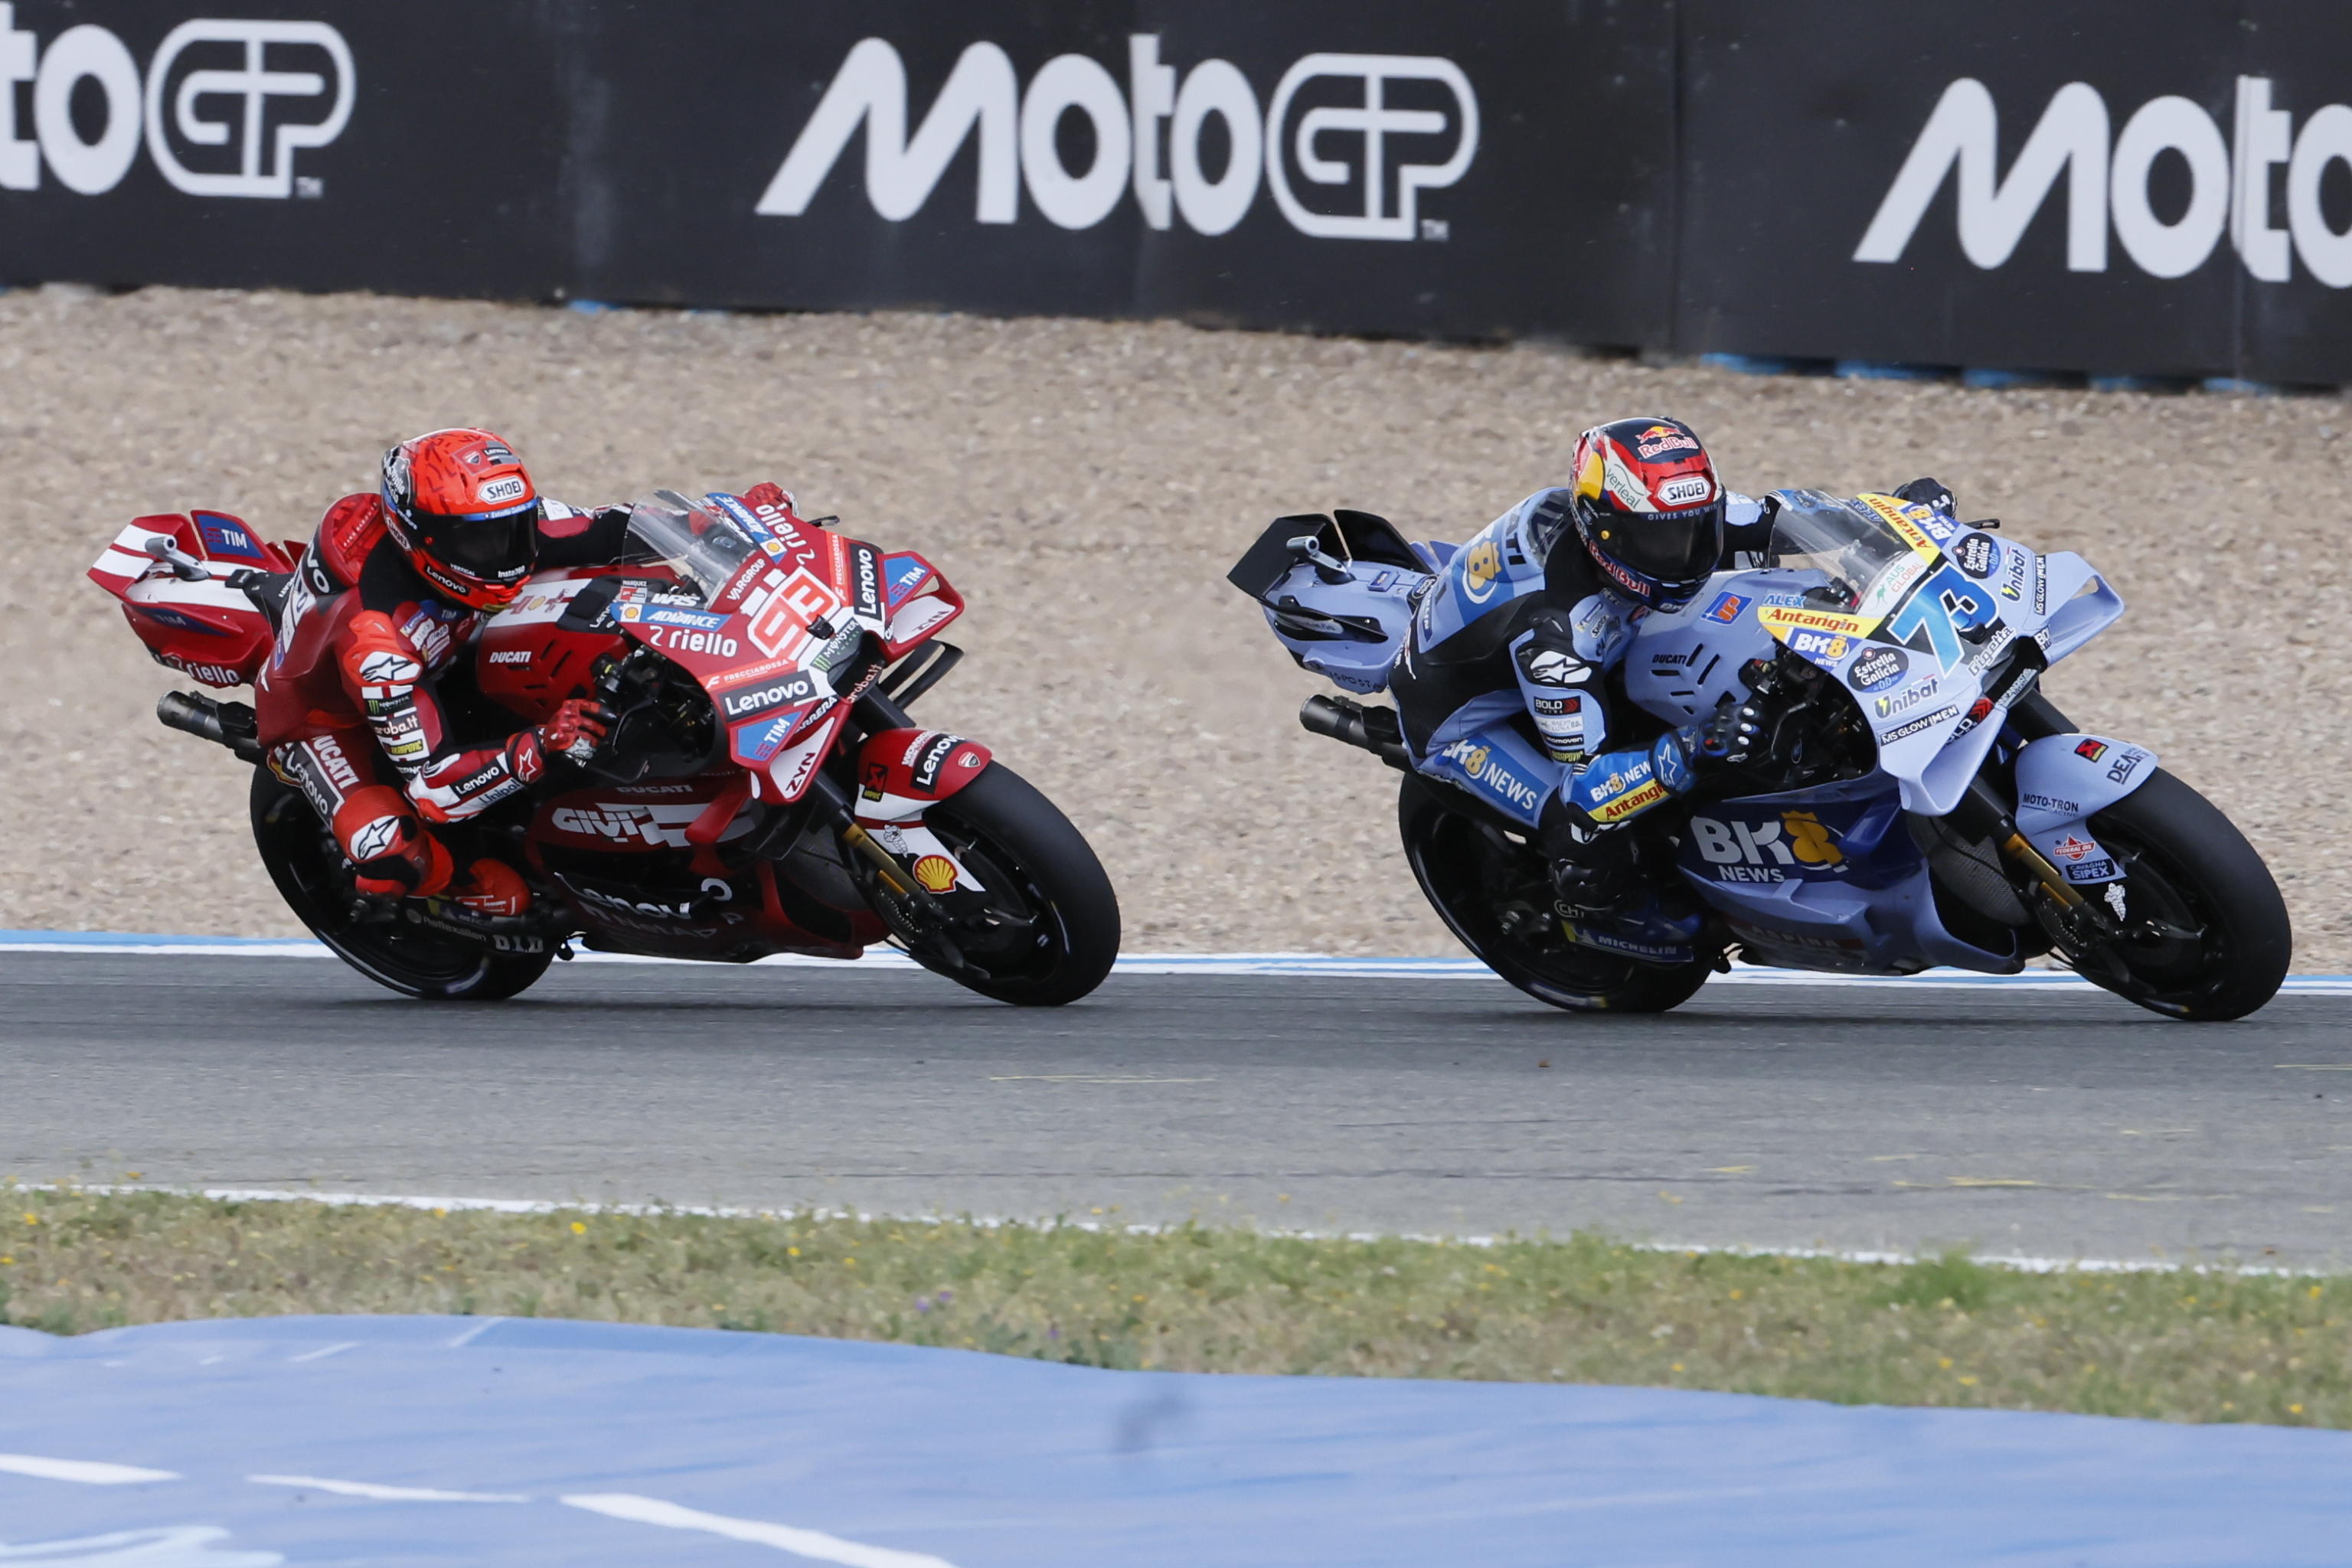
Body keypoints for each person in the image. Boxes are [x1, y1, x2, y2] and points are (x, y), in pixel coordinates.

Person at [1387, 415, 1949, 939]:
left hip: (1605, 633)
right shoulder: (1557, 639)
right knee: (1578, 825)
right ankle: (1607, 911)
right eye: (1661, 540)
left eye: (1697, 528)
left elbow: (1780, 518)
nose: (1686, 552)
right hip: (1461, 727)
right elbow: (1586, 787)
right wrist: (1693, 745)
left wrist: (1896, 522)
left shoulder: (1662, 516)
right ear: (1603, 533)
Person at [252, 426, 805, 916]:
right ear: (420, 537)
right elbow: (433, 788)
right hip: (329, 720)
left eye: (513, 527)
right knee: (394, 851)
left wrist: (724, 524)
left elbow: (613, 527)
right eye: (481, 540)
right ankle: (452, 891)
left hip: (448, 648)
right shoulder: (379, 649)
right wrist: (540, 745)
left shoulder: (501, 528)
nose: (507, 552)